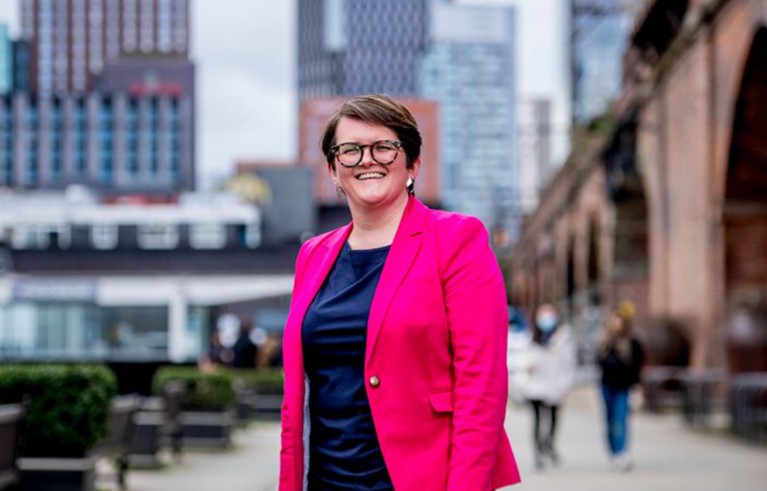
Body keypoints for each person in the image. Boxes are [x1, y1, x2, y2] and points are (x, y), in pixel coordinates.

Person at [279, 95, 520, 491]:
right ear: (333, 171)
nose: (367, 160)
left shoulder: (457, 239)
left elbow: (482, 387)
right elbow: (300, 396)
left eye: (384, 147)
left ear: (412, 164)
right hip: (324, 480)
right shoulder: (312, 254)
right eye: (351, 150)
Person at [519, 303, 576, 470]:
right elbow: (523, 360)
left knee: (552, 418)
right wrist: (528, 367)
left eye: (549, 314)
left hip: (555, 384)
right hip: (535, 385)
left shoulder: (563, 336)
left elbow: (569, 362)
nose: (546, 319)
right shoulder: (530, 337)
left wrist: (565, 383)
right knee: (537, 420)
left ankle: (548, 444)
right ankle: (537, 452)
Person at [596, 302, 645, 472]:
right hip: (607, 386)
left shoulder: (633, 343)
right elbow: (599, 363)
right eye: (614, 320)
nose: (617, 324)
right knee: (609, 421)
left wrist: (637, 387)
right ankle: (612, 450)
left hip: (624, 387)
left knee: (621, 419)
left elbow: (637, 367)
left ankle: (622, 453)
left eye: (620, 320)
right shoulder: (604, 341)